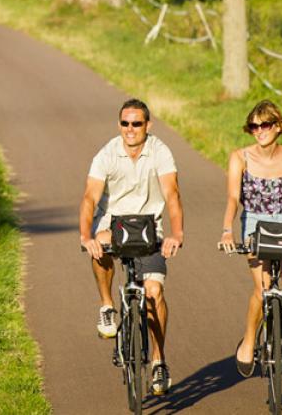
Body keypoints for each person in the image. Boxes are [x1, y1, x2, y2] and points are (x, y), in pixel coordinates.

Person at [79, 98, 185, 396]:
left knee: (154, 292)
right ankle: (107, 305)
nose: (130, 129)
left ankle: (158, 360)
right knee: (99, 246)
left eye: (136, 123)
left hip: (150, 228)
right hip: (113, 225)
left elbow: (172, 194)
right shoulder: (107, 154)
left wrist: (176, 233)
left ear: (147, 126)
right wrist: (85, 235)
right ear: (119, 125)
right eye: (125, 123)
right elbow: (90, 197)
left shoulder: (160, 152)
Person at [219, 100, 282, 377]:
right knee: (263, 289)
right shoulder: (240, 157)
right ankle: (249, 341)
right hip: (254, 220)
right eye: (254, 126)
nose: (259, 130)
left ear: (278, 126)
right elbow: (233, 198)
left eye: (264, 125)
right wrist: (227, 230)